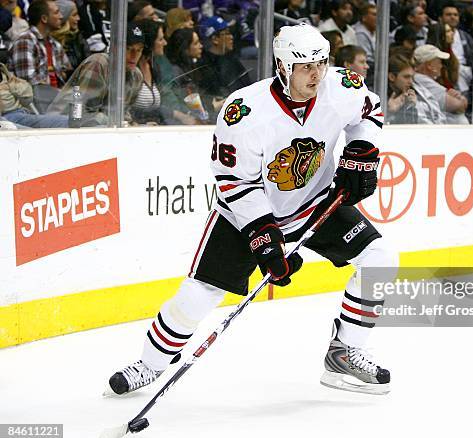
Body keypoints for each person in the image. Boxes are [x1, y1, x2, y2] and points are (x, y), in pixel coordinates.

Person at [107, 23, 395, 397]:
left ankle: (345, 352)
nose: (317, 73)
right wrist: (263, 237)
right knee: (199, 293)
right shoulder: (243, 112)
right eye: (305, 66)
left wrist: (362, 152)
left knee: (380, 257)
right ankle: (150, 363)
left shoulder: (341, 87)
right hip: (245, 215)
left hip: (314, 203)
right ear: (282, 66)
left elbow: (370, 112)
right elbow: (234, 182)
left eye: (321, 63)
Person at [47, 22, 144, 125]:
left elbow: (123, 115)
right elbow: (82, 113)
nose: (134, 55)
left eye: (139, 50)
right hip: (62, 126)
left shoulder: (136, 76)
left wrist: (133, 125)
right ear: (114, 48)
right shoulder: (98, 63)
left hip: (98, 130)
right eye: (128, 49)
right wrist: (122, 123)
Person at [9, 0, 70, 87]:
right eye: (56, 13)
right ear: (44, 18)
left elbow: (67, 70)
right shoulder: (25, 42)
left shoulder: (55, 44)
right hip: (36, 99)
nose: (61, 16)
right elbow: (28, 83)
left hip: (56, 97)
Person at [0, 61, 68, 127]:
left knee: (67, 121)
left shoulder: (4, 72)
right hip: (8, 117)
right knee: (35, 134)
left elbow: (27, 98)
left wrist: (12, 85)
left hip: (19, 113)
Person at [413, 44, 467, 124]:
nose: (441, 66)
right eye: (439, 62)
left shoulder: (424, 79)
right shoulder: (421, 79)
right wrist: (461, 100)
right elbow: (457, 105)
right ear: (429, 65)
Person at [51, 0, 90, 79]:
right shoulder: (51, 41)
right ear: (64, 17)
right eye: (74, 15)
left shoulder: (79, 39)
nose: (78, 18)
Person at [386, 52, 418, 124]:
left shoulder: (408, 94)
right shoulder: (378, 96)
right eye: (406, 77)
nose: (411, 81)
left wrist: (411, 108)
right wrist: (389, 112)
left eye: (412, 77)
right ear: (392, 77)